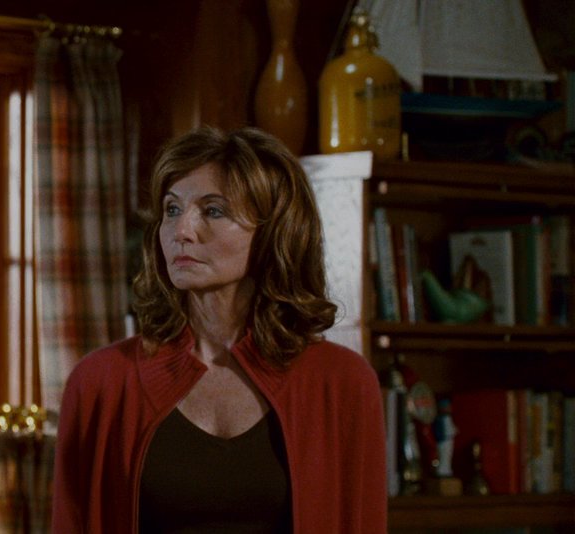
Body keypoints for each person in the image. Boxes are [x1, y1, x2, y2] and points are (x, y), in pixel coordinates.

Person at [51, 126, 386, 533]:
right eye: (172, 210)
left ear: (274, 231)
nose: (182, 231)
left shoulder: (342, 383)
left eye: (213, 211)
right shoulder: (100, 383)